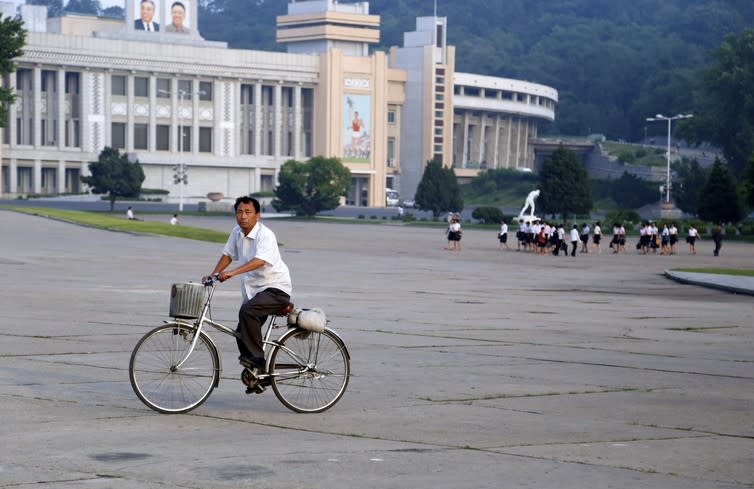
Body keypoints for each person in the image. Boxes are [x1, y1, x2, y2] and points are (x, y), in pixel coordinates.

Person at [204, 196, 292, 386]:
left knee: (247, 312)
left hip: (276, 288)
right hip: (255, 293)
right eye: (239, 212)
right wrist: (213, 274)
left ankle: (258, 360)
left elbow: (259, 260)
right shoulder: (237, 232)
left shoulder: (265, 235)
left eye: (248, 212)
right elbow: (228, 254)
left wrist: (232, 273)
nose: (243, 216)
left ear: (257, 215)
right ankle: (259, 376)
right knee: (241, 332)